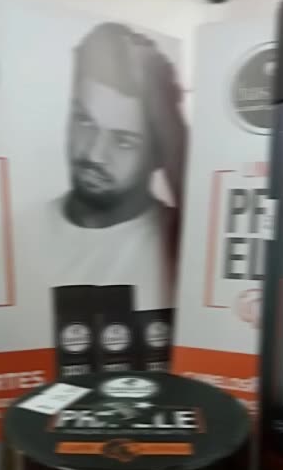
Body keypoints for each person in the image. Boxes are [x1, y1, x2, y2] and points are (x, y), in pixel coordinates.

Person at [49, 22, 187, 310]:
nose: (94, 154)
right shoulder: (18, 232)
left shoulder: (181, 240)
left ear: (159, 155)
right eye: (85, 121)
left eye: (123, 142)